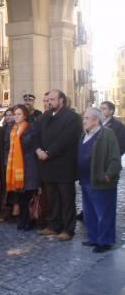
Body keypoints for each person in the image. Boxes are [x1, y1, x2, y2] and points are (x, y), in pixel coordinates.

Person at [34, 89, 82, 241]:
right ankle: (54, 225)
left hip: (64, 165)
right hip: (47, 165)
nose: (49, 102)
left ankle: (68, 229)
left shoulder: (72, 117)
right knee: (52, 198)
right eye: (47, 100)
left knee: (67, 199)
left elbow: (66, 139)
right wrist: (38, 149)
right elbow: (36, 135)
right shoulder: (44, 117)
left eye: (52, 99)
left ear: (61, 100)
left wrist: (48, 153)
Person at [78, 108, 122, 253]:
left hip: (101, 181)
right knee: (89, 211)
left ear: (96, 120)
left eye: (87, 118)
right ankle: (94, 237)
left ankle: (105, 241)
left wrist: (108, 174)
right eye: (84, 118)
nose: (84, 121)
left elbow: (115, 157)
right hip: (85, 180)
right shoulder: (84, 135)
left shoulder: (107, 134)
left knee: (104, 212)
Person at [3, 105, 39, 230]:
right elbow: (6, 146)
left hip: (28, 164)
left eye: (19, 114)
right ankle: (22, 220)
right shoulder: (10, 128)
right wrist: (7, 160)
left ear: (25, 115)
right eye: (15, 114)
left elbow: (34, 145)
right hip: (14, 165)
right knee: (19, 196)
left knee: (27, 195)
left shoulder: (31, 127)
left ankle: (28, 220)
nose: (16, 116)